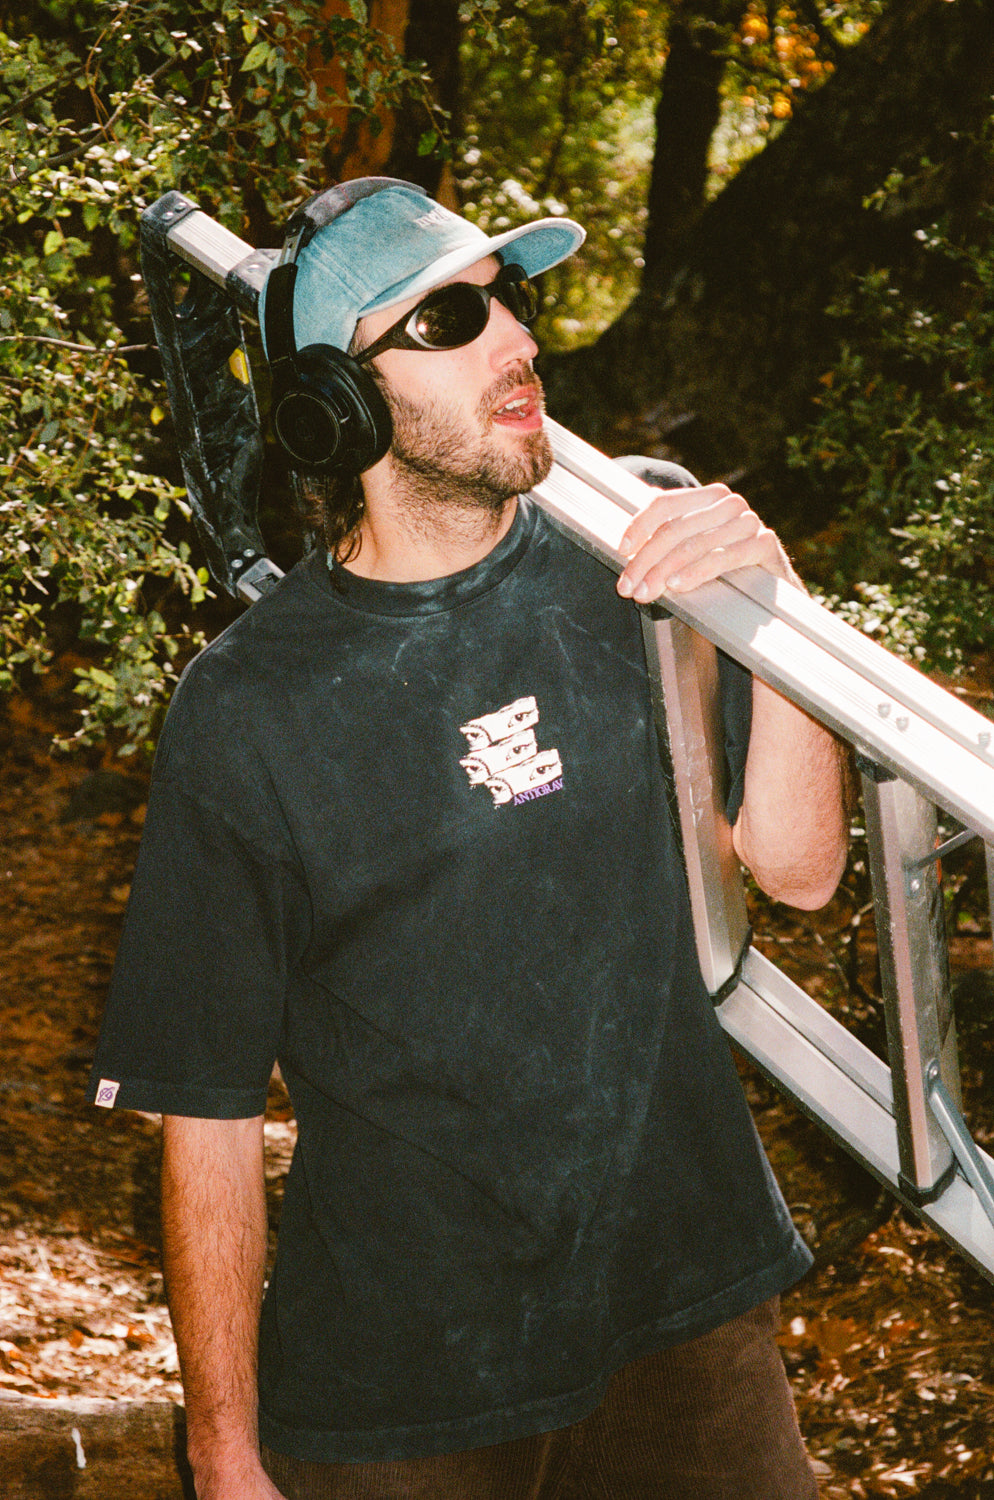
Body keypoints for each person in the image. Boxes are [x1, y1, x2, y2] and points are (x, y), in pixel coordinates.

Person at [88, 177, 849, 1500]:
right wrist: (223, 1451)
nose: (516, 340)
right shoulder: (251, 707)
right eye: (449, 316)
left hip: (687, 1316)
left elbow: (798, 869)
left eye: (507, 299)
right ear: (333, 399)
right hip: (404, 1381)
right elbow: (204, 1117)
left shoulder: (640, 543)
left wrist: (771, 609)